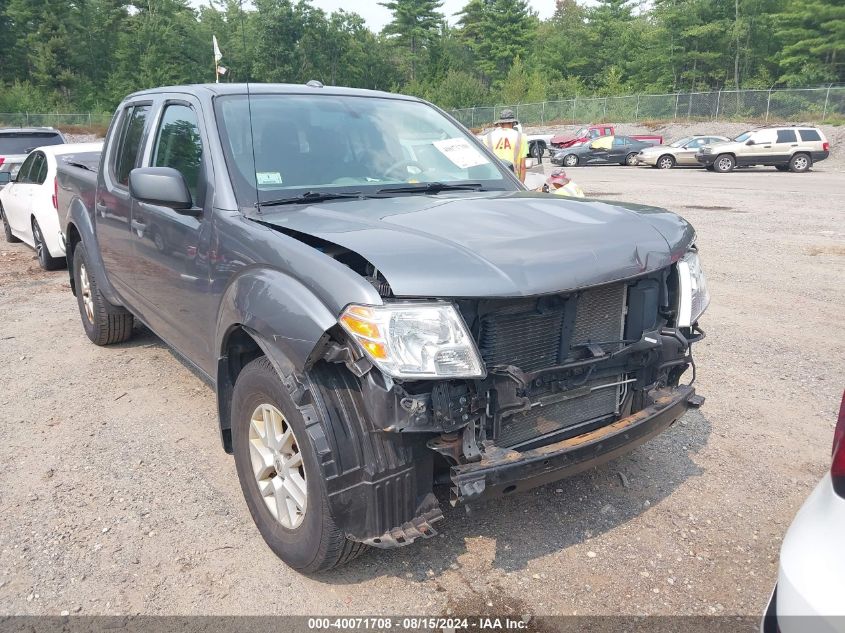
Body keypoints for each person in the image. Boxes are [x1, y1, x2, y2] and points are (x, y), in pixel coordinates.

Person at [483, 109, 527, 182]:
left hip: (494, 179)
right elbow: (523, 167)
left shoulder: (487, 137)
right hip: (513, 180)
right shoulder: (521, 137)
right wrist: (521, 185)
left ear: (500, 124)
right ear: (513, 123)